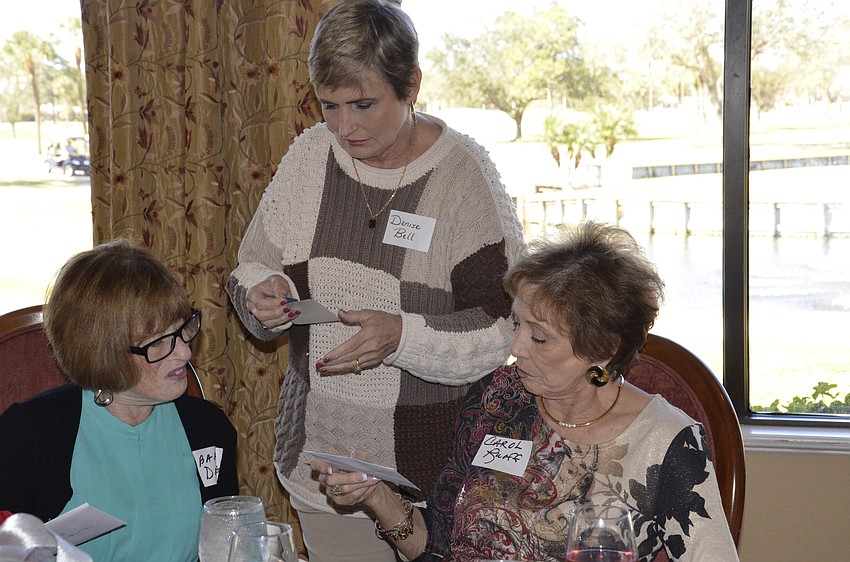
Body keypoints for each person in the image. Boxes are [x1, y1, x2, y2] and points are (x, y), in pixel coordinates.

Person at [226, 0, 523, 559]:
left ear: (410, 83)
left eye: (363, 104)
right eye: (329, 105)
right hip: (325, 462)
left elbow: (500, 328)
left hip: (435, 472)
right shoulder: (311, 157)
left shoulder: (464, 176)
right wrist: (261, 296)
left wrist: (402, 337)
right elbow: (251, 264)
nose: (344, 126)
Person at [312, 222, 740, 562]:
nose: (515, 348)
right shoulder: (496, 400)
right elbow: (437, 546)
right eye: (518, 324)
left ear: (603, 351)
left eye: (540, 338)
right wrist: (377, 497)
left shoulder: (666, 442)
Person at [0, 240, 239, 561]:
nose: (184, 351)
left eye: (183, 330)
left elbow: (224, 546)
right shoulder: (28, 435)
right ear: (102, 352)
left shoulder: (208, 428)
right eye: (160, 343)